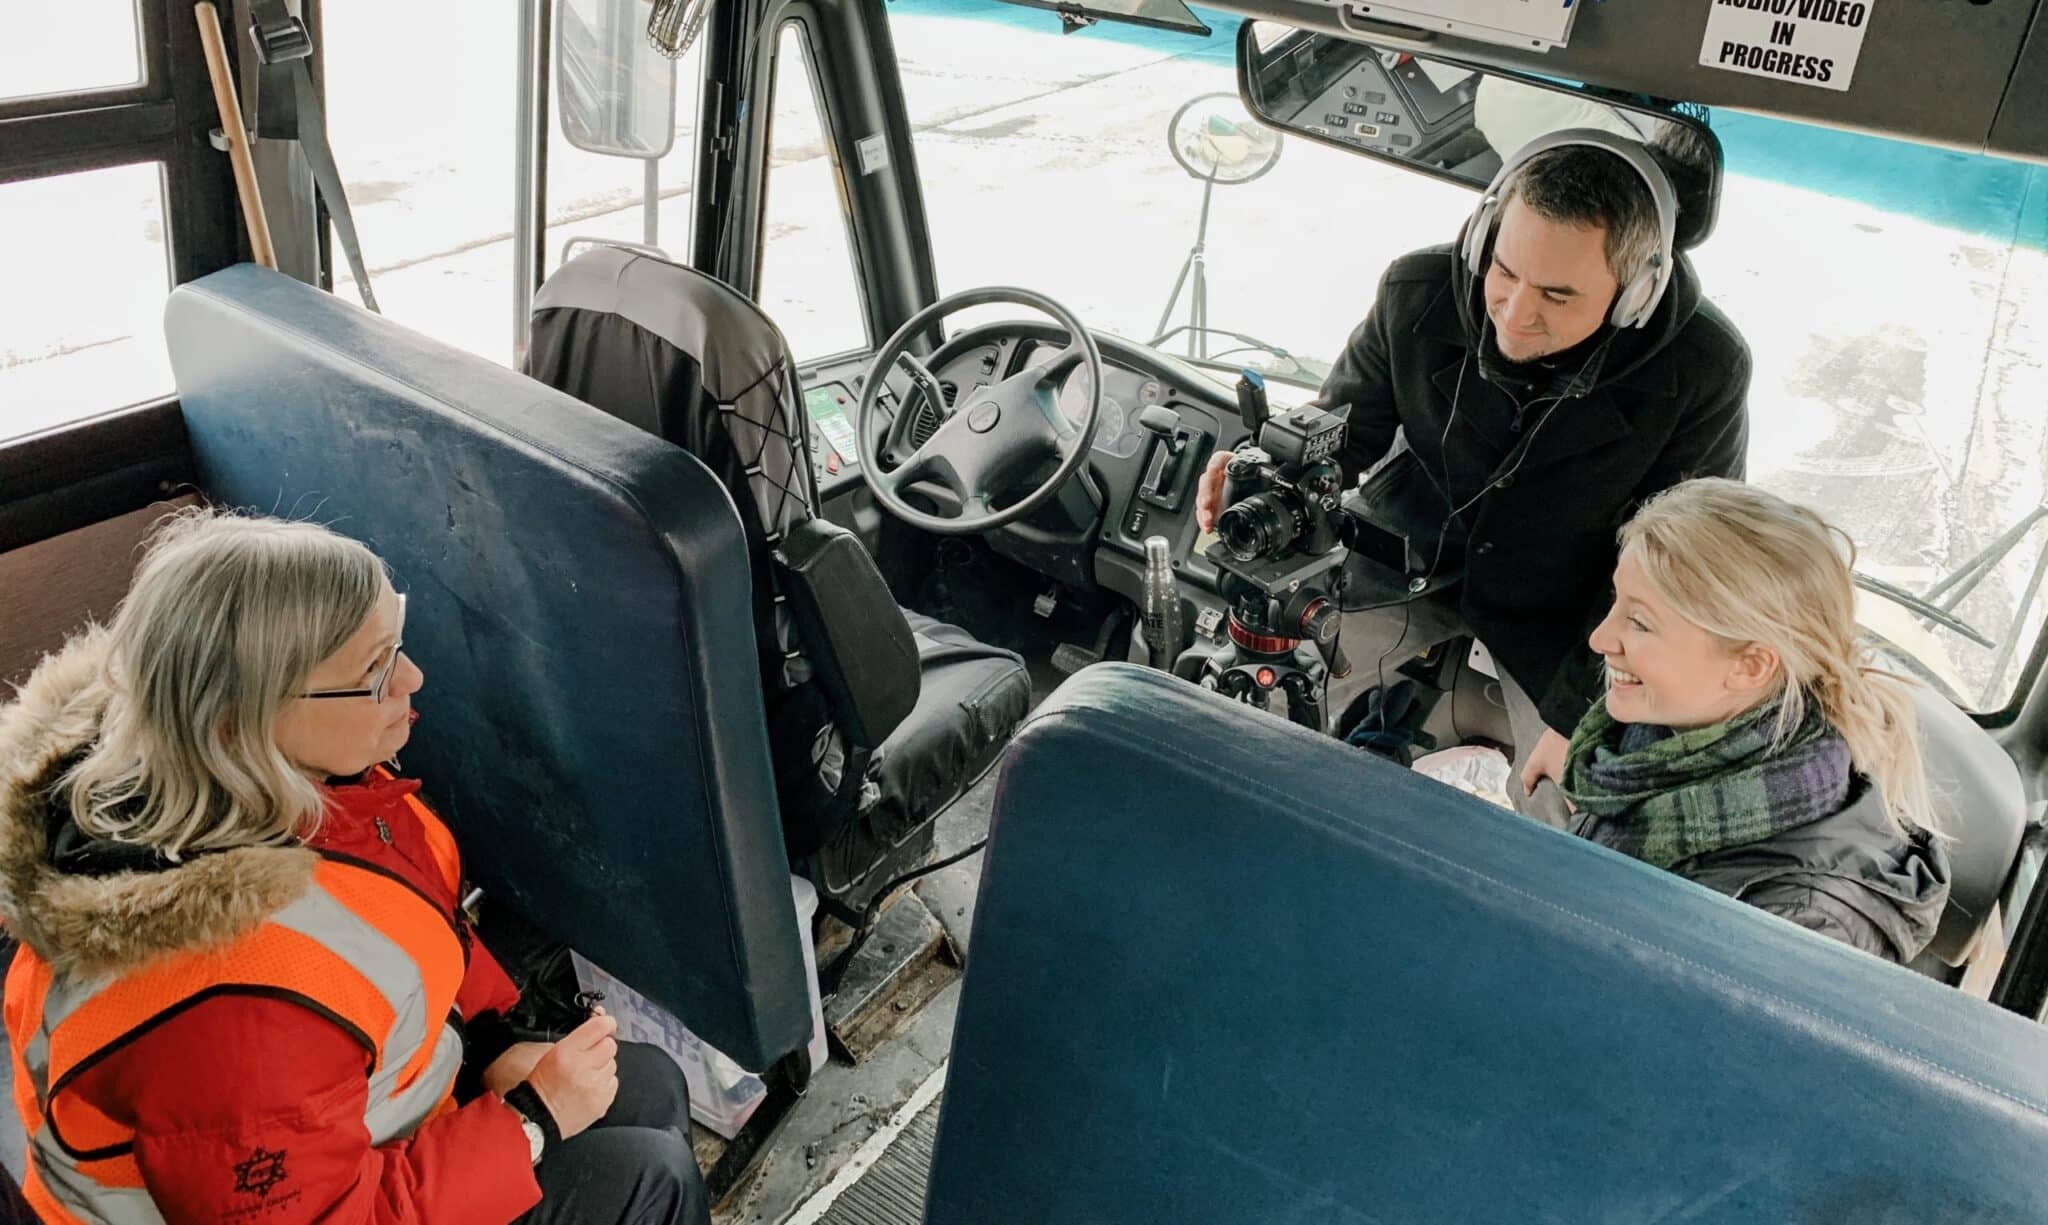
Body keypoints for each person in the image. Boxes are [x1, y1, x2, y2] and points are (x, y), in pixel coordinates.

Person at [0, 511, 708, 1225]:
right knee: (654, 1180)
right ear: (242, 721)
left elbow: (399, 923)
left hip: (358, 1112)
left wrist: (490, 1041)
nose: (413, 676)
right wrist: (532, 1120)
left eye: (393, 639)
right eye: (372, 671)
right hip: (325, 1192)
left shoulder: (286, 782)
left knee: (650, 1086)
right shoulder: (226, 1012)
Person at [1196, 127, 1750, 822]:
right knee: (1250, 712)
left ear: (1634, 293)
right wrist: (1269, 469)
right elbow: (1344, 433)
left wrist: (1577, 716)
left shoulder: (1705, 370)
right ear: (1486, 237)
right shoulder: (1416, 290)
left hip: (1572, 614)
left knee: (1578, 812)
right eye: (1505, 272)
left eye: (1557, 295)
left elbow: (1679, 569)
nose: (1515, 315)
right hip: (1405, 552)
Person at [1559, 480, 1951, 963]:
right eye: (1616, 602)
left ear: (1749, 666)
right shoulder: (1658, 741)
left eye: (1639, 623)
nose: (1600, 639)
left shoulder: (1800, 922)